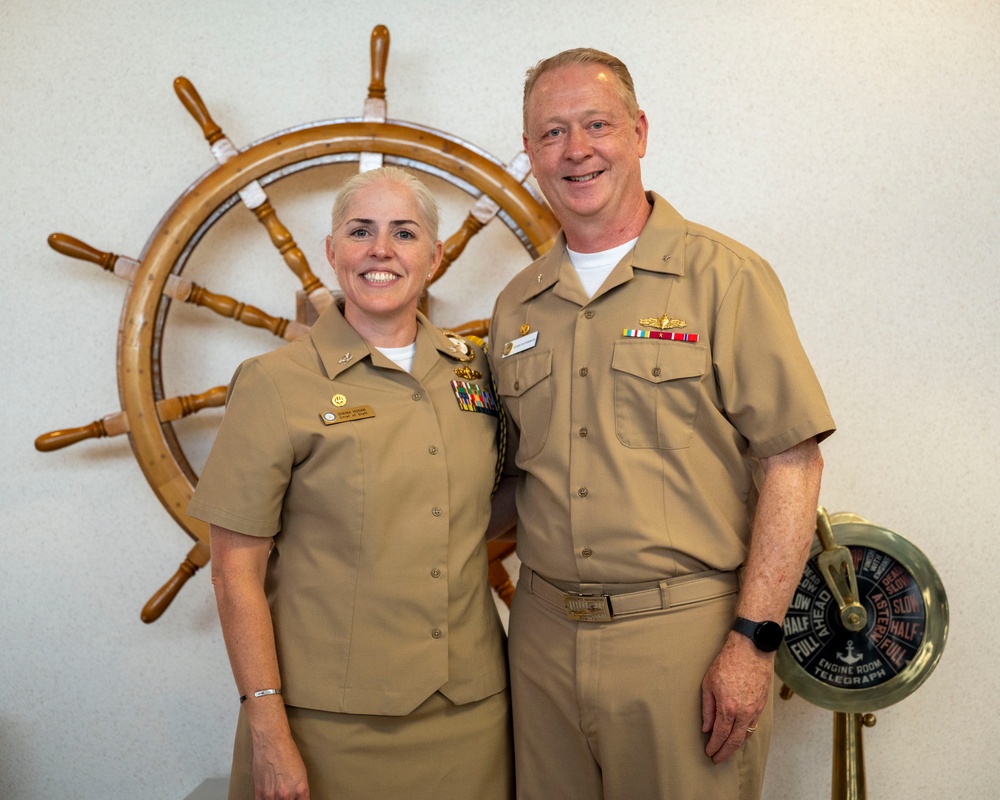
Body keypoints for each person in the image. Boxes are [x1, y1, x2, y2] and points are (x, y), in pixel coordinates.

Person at [488, 49, 836, 800]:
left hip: (685, 640)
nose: (575, 150)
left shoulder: (724, 277)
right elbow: (517, 482)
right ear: (529, 154)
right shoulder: (516, 307)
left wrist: (753, 642)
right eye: (550, 133)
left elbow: (792, 463)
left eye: (596, 124)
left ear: (639, 132)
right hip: (541, 640)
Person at [189, 166, 513, 800]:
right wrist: (268, 730)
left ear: (436, 254)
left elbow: (500, 504)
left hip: (472, 712)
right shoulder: (273, 383)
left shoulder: (477, 373)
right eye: (360, 231)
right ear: (332, 252)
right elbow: (234, 574)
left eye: (405, 232)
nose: (381, 250)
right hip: (327, 726)